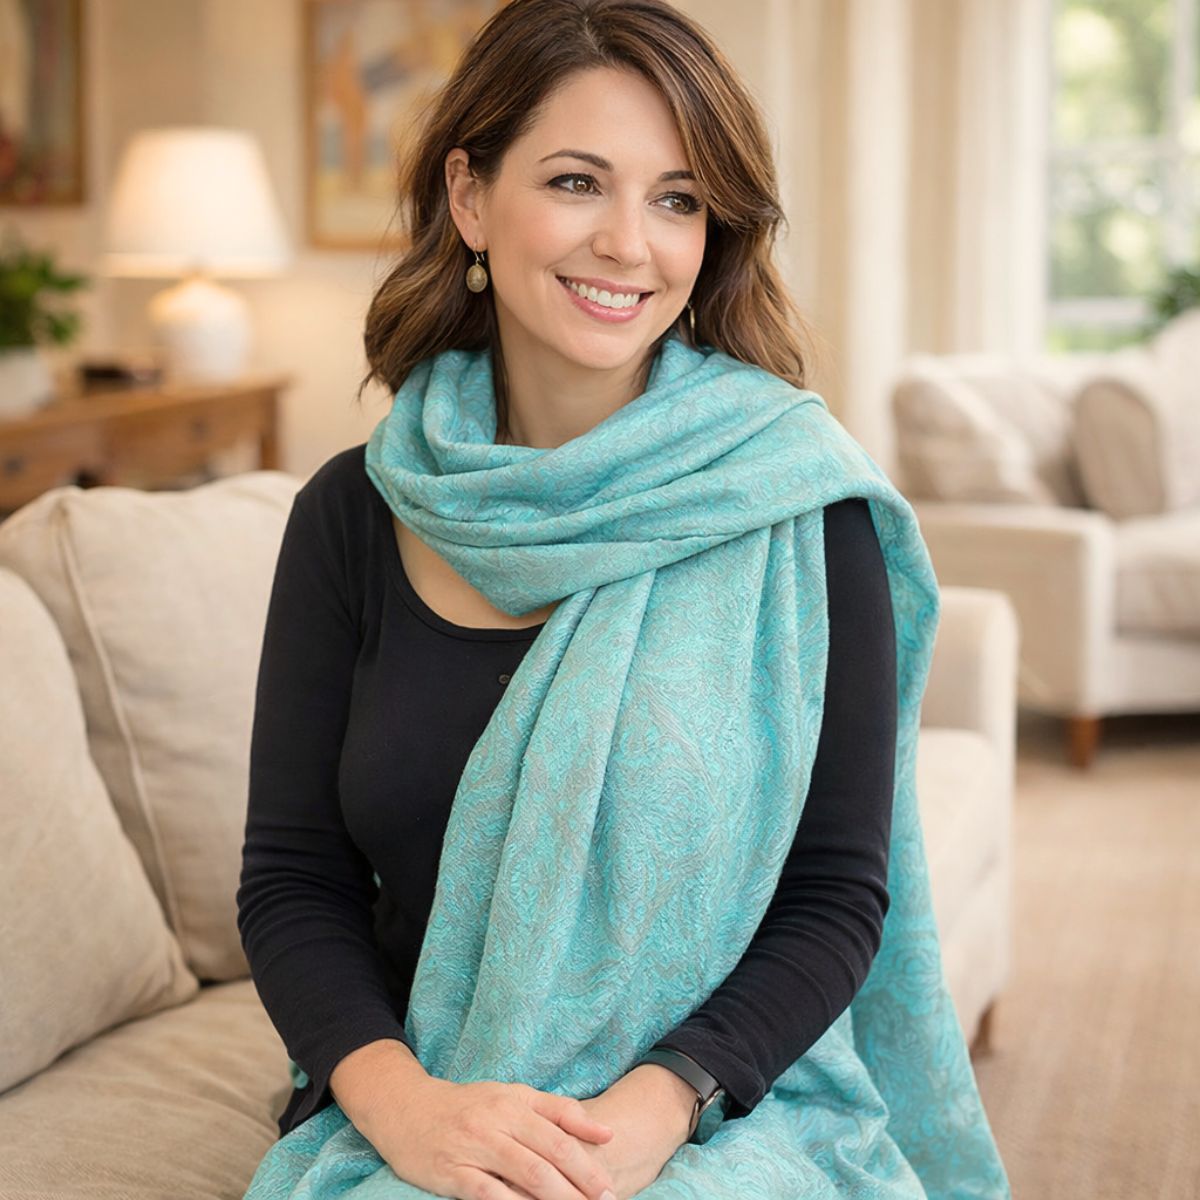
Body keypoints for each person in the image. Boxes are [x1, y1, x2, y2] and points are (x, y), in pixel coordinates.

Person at [237, 2, 1009, 1198]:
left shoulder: (804, 511)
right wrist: (409, 1111)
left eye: (678, 199)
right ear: (471, 198)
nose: (628, 244)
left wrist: (654, 1114)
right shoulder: (352, 515)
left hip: (722, 1105)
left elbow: (837, 893)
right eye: (577, 181)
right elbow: (293, 876)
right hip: (433, 1096)